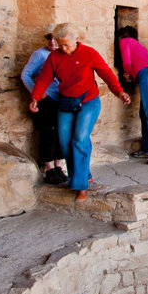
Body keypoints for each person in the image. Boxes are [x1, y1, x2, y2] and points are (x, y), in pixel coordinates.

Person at [29, 23, 130, 202]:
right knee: (66, 142)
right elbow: (44, 79)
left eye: (66, 44)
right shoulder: (54, 57)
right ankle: (84, 173)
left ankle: (81, 185)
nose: (62, 48)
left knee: (79, 139)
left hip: (88, 101)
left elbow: (106, 73)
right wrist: (35, 98)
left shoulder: (89, 54)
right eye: (59, 44)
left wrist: (119, 91)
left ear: (76, 40)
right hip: (66, 102)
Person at [21, 32, 67, 185]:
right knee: (48, 132)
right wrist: (38, 94)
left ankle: (58, 166)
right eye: (49, 38)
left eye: (55, 38)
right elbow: (25, 74)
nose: (52, 41)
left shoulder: (62, 53)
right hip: (46, 99)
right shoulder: (39, 54)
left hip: (61, 98)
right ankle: (49, 168)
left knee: (61, 131)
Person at [118, 26, 148, 165]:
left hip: (146, 76)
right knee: (144, 112)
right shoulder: (139, 45)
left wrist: (127, 74)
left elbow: (127, 61)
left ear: (120, 36)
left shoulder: (124, 41)